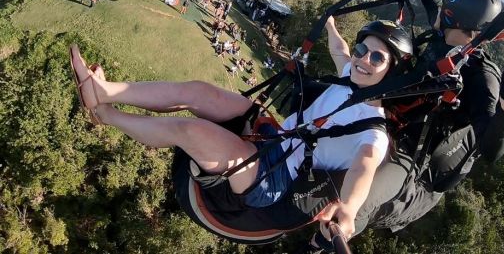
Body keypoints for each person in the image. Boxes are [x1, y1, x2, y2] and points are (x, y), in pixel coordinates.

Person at [67, 17, 414, 242]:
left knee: (192, 132)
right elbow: (339, 51)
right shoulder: (348, 80)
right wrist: (331, 27)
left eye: (377, 58)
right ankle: (104, 91)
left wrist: (350, 211)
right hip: (276, 138)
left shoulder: (374, 133)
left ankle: (108, 116)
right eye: (362, 50)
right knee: (198, 91)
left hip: (277, 180)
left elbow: (363, 169)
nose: (363, 60)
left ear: (392, 73)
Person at [303, 0, 504, 251]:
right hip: (385, 123)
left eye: (447, 9)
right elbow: (431, 5)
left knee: (350, 205)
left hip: (414, 164)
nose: (438, 12)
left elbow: (492, 149)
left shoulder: (481, 77)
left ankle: (318, 246)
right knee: (311, 93)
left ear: (456, 20)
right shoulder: (444, 38)